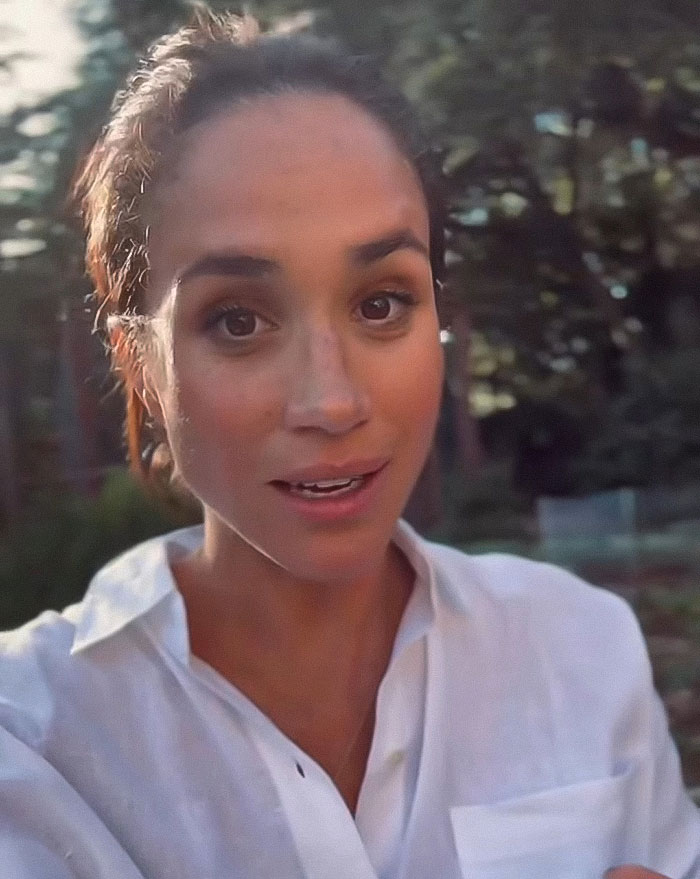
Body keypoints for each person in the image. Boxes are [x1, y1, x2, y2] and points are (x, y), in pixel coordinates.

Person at [0, 9, 698, 878]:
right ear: (138, 363)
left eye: (381, 303)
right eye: (239, 319)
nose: (331, 401)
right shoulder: (29, 743)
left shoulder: (585, 649)